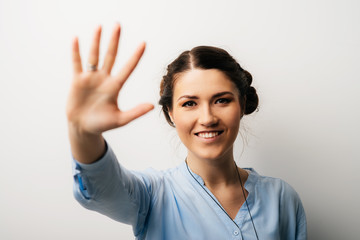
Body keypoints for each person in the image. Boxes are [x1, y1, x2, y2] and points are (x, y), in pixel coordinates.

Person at [67, 24, 307, 240]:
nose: (207, 118)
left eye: (221, 100)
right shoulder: (151, 196)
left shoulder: (281, 199)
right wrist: (84, 133)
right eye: (189, 103)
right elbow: (103, 186)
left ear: (242, 104)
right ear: (170, 112)